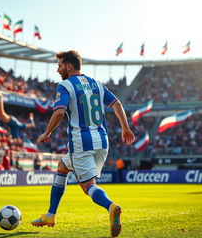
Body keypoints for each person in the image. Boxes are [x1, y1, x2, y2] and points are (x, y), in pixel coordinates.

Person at [31, 50, 135, 238]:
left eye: (60, 65)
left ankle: (111, 206)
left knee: (88, 186)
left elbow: (60, 112)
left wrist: (47, 133)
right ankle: (50, 215)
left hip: (81, 143)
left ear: (69, 66)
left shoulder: (65, 85)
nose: (57, 70)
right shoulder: (97, 84)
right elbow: (117, 104)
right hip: (102, 142)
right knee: (62, 166)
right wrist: (125, 128)